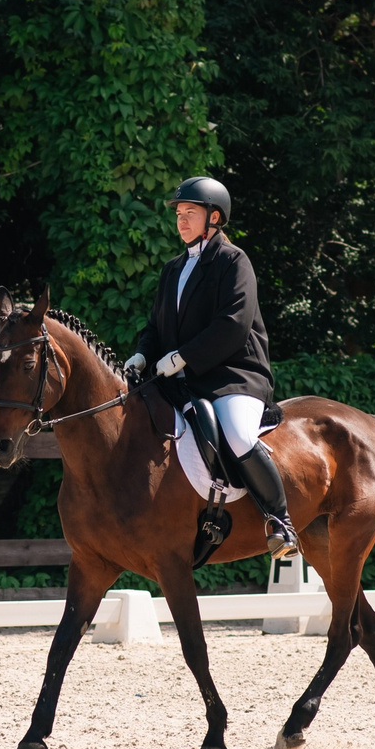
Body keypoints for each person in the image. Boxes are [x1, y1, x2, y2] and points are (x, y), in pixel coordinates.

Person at [123, 176, 298, 559]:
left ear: (214, 217)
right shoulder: (173, 269)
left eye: (190, 213)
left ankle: (280, 522)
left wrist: (184, 355)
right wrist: (141, 354)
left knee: (236, 433)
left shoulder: (233, 261)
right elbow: (156, 326)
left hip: (233, 376)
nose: (181, 221)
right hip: (184, 380)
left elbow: (233, 324)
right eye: (179, 214)